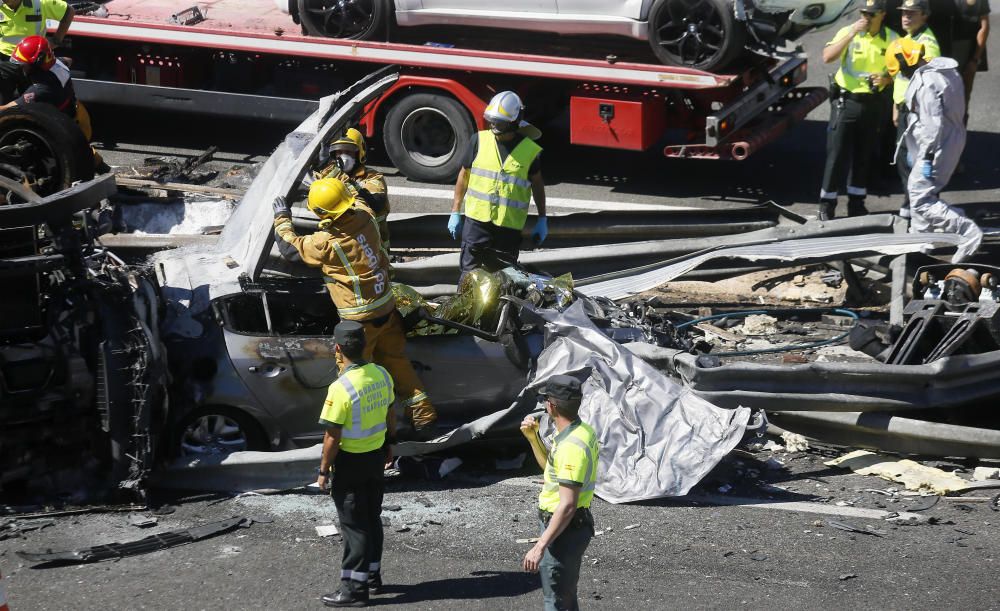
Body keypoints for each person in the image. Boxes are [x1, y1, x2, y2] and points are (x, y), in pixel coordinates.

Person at [273, 177, 438, 437]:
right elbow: (360, 196)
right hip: (387, 309)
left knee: (355, 376)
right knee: (396, 361)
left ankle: (363, 430)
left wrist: (282, 217)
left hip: (358, 324)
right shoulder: (366, 216)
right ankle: (423, 414)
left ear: (323, 214)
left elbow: (289, 247)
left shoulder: (326, 243)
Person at [317, 320, 395, 608]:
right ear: (364, 345)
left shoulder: (340, 388)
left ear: (337, 349)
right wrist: (389, 444)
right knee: (372, 518)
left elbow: (331, 438)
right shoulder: (382, 375)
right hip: (375, 458)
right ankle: (372, 577)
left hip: (350, 463)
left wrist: (323, 471)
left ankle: (353, 590)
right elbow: (390, 413)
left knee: (354, 526)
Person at [887, 38, 982, 261]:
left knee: (920, 199)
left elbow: (932, 124)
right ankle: (919, 244)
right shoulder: (944, 72)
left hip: (938, 145)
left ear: (905, 61)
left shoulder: (926, 82)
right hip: (949, 139)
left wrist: (927, 156)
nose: (900, 72)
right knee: (918, 192)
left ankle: (967, 231)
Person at [519, 375, 599, 611]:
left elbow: (567, 505)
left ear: (551, 405)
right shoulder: (581, 431)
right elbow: (550, 469)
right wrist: (533, 438)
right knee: (565, 598)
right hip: (569, 527)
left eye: (545, 400)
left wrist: (539, 546)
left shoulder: (571, 447)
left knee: (555, 601)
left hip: (563, 529)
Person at [450, 90, 547, 276]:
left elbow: (537, 184)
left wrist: (542, 218)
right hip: (477, 222)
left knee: (503, 278)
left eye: (500, 122)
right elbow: (464, 175)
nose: (494, 125)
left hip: (508, 227)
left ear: (514, 122)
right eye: (492, 120)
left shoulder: (529, 150)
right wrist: (455, 211)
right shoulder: (478, 140)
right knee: (469, 275)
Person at [818, 0, 899, 220]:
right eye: (864, 13)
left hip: (873, 103)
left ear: (882, 14)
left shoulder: (892, 38)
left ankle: (856, 203)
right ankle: (827, 204)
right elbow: (827, 57)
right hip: (847, 102)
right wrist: (852, 32)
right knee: (836, 154)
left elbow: (901, 70)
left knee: (864, 155)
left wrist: (886, 78)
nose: (866, 17)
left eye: (871, 14)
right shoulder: (850, 32)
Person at [892, 0, 940, 219]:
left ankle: (919, 205)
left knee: (916, 160)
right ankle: (912, 201)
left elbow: (932, 75)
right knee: (904, 159)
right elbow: (900, 78)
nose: (906, 17)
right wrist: (896, 106)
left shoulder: (926, 42)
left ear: (924, 16)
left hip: (917, 111)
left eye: (912, 14)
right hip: (904, 108)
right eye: (904, 13)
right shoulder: (908, 39)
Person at [315, 128, 391, 259]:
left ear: (359, 153)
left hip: (372, 250)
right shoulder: (327, 175)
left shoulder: (373, 177)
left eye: (348, 151)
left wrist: (337, 175)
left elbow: (375, 204)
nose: (343, 156)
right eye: (339, 152)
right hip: (340, 245)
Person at [0, 0, 74, 104]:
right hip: (6, 61)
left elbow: (68, 11)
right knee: (3, 104)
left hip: (31, 62)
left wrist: (56, 40)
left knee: (30, 105)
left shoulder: (39, 3)